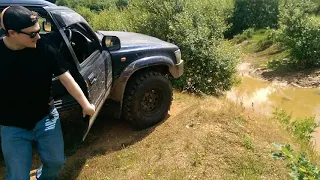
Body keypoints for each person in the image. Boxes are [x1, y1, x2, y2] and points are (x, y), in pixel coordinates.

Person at [0, 5, 95, 180]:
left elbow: (67, 79)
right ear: (12, 33)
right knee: (18, 177)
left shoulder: (44, 48)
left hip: (46, 119)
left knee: (56, 163)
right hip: (12, 127)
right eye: (32, 34)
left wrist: (85, 104)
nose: (38, 36)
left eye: (39, 30)